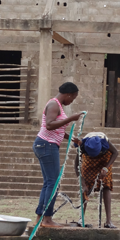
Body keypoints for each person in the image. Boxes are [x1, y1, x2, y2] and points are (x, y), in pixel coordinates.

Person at [33, 82, 83, 228]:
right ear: (68, 94)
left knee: (49, 183)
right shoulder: (54, 104)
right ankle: (47, 219)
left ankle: (41, 218)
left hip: (45, 144)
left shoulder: (56, 105)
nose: (71, 101)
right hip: (47, 145)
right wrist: (70, 119)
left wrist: (72, 138)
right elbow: (49, 124)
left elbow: (57, 128)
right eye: (72, 98)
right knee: (53, 184)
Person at [72, 131, 119, 228]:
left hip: (105, 160)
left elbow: (115, 152)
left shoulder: (105, 141)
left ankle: (108, 221)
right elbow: (77, 165)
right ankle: (81, 220)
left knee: (106, 185)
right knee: (85, 188)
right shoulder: (82, 146)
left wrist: (106, 168)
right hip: (88, 162)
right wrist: (82, 181)